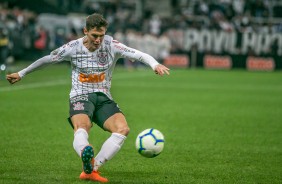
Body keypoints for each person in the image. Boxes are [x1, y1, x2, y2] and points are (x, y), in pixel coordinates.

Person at [6, 13, 170, 182]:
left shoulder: (111, 44)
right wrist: (22, 73)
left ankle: (91, 168)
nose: (98, 40)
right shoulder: (73, 47)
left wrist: (154, 64)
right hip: (80, 95)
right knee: (82, 126)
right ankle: (85, 150)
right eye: (94, 35)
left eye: (102, 35)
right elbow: (48, 59)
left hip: (103, 96)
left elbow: (138, 54)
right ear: (85, 31)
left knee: (122, 129)